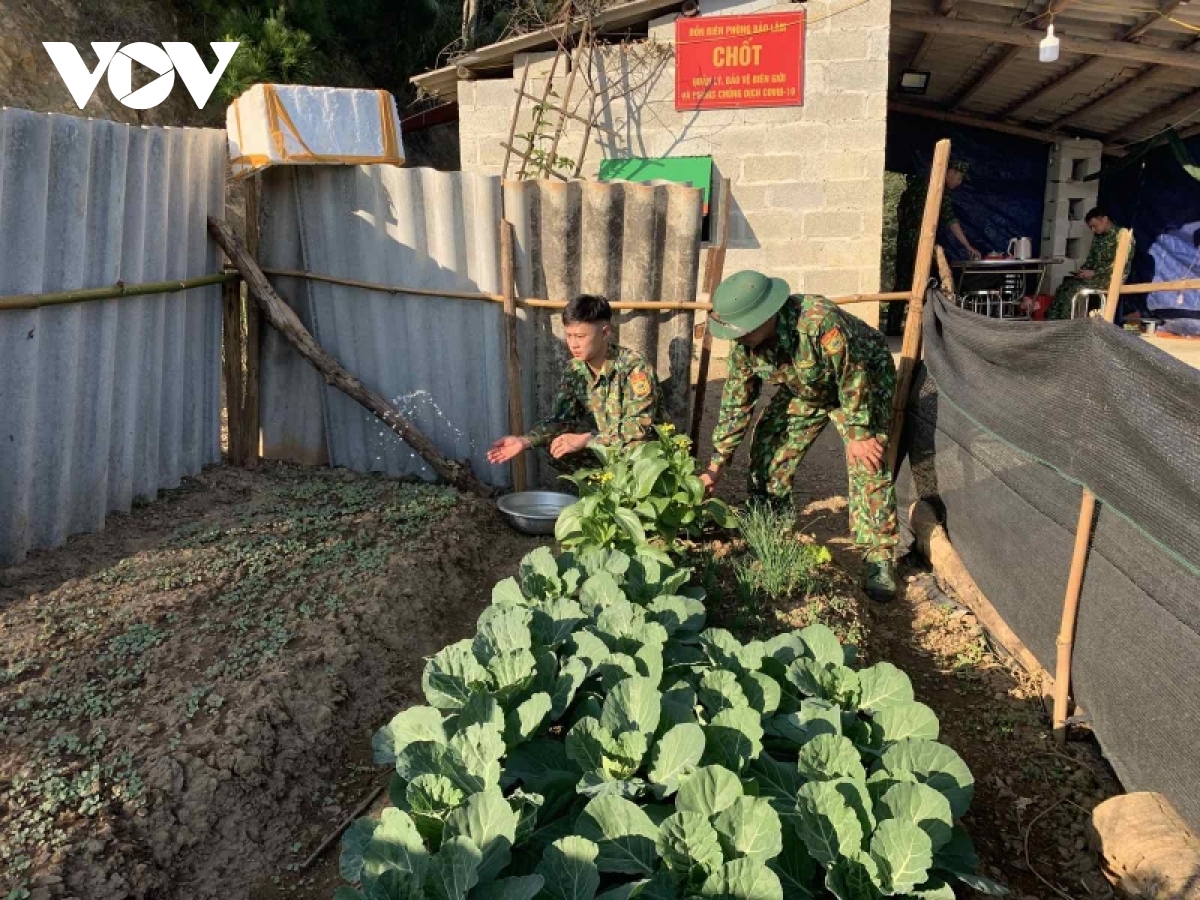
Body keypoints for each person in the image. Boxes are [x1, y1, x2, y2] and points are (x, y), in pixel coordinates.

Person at [700, 270, 900, 602]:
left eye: (744, 329)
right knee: (769, 442)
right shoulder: (745, 346)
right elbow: (737, 402)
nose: (738, 337)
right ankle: (769, 526)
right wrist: (716, 465)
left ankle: (878, 556)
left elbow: (854, 375)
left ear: (766, 315)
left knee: (867, 458)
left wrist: (860, 433)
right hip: (807, 390)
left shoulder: (819, 322)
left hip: (864, 381)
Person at [487, 293, 665, 471]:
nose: (573, 344)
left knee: (633, 448)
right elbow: (562, 420)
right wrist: (525, 440)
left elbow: (639, 428)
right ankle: (599, 489)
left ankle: (637, 493)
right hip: (607, 447)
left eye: (580, 337)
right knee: (558, 447)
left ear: (605, 332)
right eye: (569, 336)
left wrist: (587, 439)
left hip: (643, 456)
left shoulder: (634, 367)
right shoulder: (575, 370)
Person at [888, 159, 979, 335]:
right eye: (959, 178)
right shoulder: (938, 192)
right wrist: (968, 245)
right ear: (949, 172)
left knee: (902, 283)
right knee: (930, 284)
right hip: (921, 246)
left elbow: (900, 211)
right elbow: (951, 221)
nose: (959, 183)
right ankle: (926, 329)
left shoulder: (916, 185)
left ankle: (893, 328)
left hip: (904, 242)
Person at [1045, 208, 1133, 320]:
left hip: (1110, 278)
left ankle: (1068, 324)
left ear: (1104, 219)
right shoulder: (1099, 237)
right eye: (1091, 227)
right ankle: (1054, 322)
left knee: (1074, 290)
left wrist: (1094, 273)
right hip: (1095, 276)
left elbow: (1120, 265)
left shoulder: (1122, 236)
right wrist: (1082, 271)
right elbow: (1091, 258)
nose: (1093, 230)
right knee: (1064, 286)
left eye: (1094, 226)